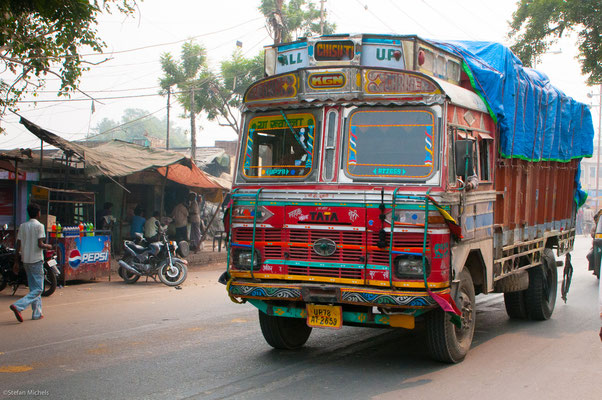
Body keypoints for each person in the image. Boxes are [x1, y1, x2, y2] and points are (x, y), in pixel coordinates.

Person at [9, 203, 53, 323]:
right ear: (38, 213)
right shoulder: (39, 226)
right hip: (36, 260)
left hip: (26, 260)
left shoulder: (23, 226)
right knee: (39, 288)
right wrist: (48, 246)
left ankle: (37, 313)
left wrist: (16, 262)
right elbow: (40, 244)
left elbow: (18, 244)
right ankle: (19, 306)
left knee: (33, 287)